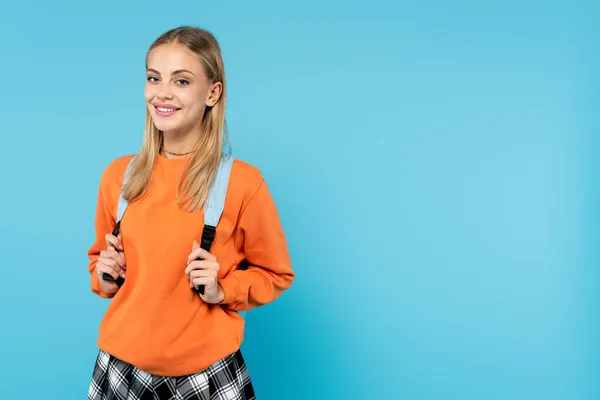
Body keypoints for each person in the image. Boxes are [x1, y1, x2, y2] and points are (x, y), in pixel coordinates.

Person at [86, 25, 295, 400]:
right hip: (120, 368)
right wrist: (105, 276)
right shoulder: (119, 176)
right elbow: (99, 267)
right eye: (154, 78)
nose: (162, 92)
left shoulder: (243, 183)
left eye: (181, 81)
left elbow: (276, 274)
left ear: (213, 92)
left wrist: (223, 289)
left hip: (207, 375)